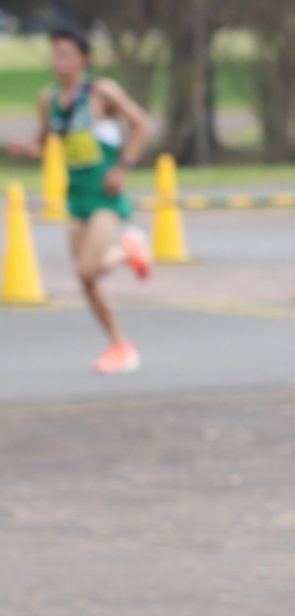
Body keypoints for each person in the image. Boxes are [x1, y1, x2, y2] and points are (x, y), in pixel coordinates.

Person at [5, 25, 152, 375]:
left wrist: (122, 168)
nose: (60, 62)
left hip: (105, 195)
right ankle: (119, 344)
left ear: (83, 59)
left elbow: (142, 125)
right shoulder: (49, 99)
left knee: (88, 268)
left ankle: (128, 251)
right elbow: (45, 144)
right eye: (56, 55)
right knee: (86, 279)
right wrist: (28, 148)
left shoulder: (102, 92)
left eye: (67, 55)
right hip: (76, 197)